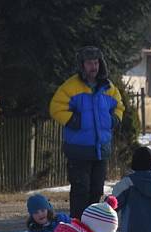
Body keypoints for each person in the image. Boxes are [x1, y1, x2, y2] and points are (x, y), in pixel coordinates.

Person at [49, 46, 125, 219]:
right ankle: (77, 227)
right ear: (82, 65)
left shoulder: (108, 87)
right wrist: (75, 121)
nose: (94, 66)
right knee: (80, 190)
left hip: (101, 150)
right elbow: (55, 108)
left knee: (96, 191)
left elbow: (119, 106)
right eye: (90, 63)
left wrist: (114, 120)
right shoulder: (70, 86)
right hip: (78, 149)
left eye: (96, 62)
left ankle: (93, 228)